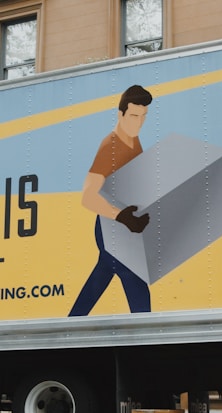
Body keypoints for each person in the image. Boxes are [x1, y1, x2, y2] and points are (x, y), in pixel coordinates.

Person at [69, 85, 153, 316]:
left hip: (125, 226)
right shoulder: (111, 147)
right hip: (111, 228)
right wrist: (121, 217)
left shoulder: (133, 141)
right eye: (134, 116)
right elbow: (87, 196)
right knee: (134, 279)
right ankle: (148, 337)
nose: (139, 122)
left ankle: (72, 322)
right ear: (121, 114)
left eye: (143, 116)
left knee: (102, 273)